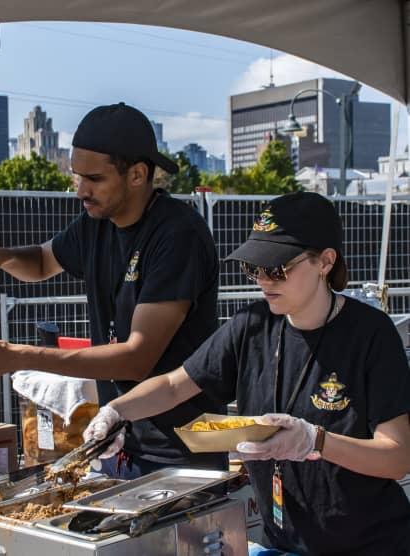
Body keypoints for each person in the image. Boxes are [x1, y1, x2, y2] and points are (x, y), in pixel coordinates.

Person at [83, 191, 410, 555]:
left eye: (277, 268)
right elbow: (175, 385)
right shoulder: (251, 327)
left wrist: (314, 440)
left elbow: (396, 457)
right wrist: (116, 412)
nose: (263, 280)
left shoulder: (371, 335)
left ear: (325, 262)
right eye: (254, 268)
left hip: (373, 546)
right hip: (284, 542)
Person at [0, 102, 225, 478]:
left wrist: (18, 356)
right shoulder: (95, 223)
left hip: (178, 451)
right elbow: (43, 262)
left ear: (138, 174)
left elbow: (136, 357)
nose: (81, 191)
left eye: (93, 179)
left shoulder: (177, 235)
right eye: (77, 177)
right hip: (113, 439)